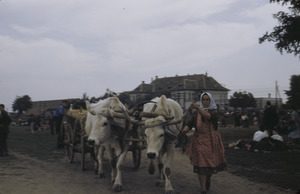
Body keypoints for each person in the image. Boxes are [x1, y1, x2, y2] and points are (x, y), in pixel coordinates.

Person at [180, 93, 226, 194]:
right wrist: (185, 130)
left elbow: (208, 116)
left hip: (211, 140)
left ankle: (207, 178)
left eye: (207, 100)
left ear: (210, 101)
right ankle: (203, 189)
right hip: (199, 140)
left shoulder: (214, 111)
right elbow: (190, 123)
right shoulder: (196, 113)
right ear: (201, 100)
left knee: (210, 164)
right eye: (203, 100)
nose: (205, 102)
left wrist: (197, 107)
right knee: (201, 165)